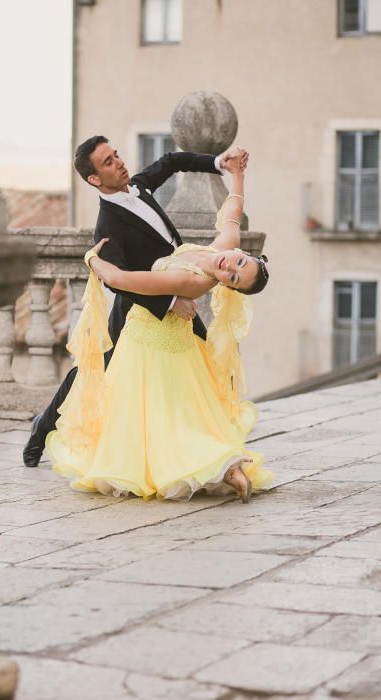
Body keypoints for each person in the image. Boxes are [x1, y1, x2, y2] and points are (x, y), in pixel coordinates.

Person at [45, 148, 273, 502]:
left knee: (156, 420)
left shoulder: (191, 281)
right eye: (240, 262)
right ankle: (227, 469)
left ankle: (221, 469)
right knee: (178, 417)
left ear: (228, 287)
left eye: (233, 276)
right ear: (243, 252)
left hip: (148, 344)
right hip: (177, 344)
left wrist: (92, 259)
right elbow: (233, 211)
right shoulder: (223, 247)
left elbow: (121, 280)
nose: (231, 265)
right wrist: (236, 172)